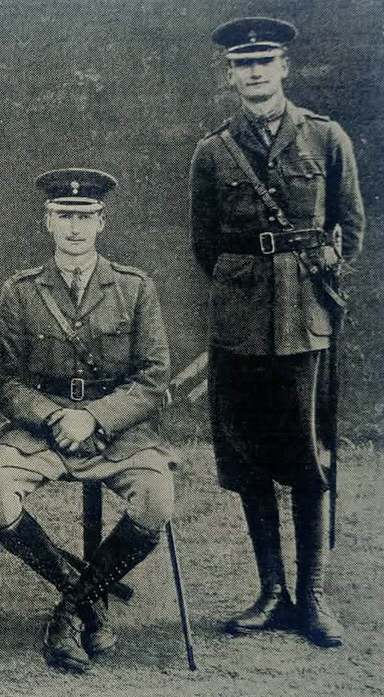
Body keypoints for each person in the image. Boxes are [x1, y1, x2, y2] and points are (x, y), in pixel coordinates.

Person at [190, 17, 364, 647]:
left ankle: (311, 597)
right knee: (248, 457)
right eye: (243, 65)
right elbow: (205, 243)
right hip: (237, 326)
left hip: (303, 322)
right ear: (230, 75)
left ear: (285, 67)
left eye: (265, 61)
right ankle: (271, 590)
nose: (255, 73)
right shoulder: (212, 151)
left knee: (308, 460)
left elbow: (351, 223)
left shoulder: (326, 137)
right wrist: (247, 285)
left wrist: (319, 275)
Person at [0, 169, 176, 673]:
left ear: (101, 221)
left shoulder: (134, 288)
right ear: (47, 221)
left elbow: (153, 380)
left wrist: (94, 418)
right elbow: (6, 382)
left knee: (157, 498)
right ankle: (83, 598)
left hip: (117, 431)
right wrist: (55, 415)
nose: (74, 227)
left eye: (85, 216)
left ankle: (67, 611)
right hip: (40, 430)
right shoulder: (20, 291)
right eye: (64, 215)